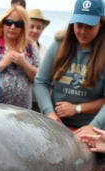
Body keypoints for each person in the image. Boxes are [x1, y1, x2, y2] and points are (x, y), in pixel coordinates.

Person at [34, 0, 105, 134]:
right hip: (57, 124)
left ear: (101, 24)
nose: (83, 31)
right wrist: (49, 113)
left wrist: (87, 120)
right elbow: (41, 82)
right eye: (79, 25)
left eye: (89, 26)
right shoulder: (58, 45)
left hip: (92, 126)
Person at [0, 5, 40, 109]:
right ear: (2, 23)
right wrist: (3, 63)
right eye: (9, 22)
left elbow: (39, 79)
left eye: (18, 24)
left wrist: (24, 64)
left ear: (24, 27)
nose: (12, 27)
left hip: (22, 112)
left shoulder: (30, 47)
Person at [28, 9, 50, 112]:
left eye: (39, 28)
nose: (35, 31)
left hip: (41, 103)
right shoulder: (20, 49)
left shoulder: (47, 50)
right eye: (31, 27)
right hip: (24, 102)